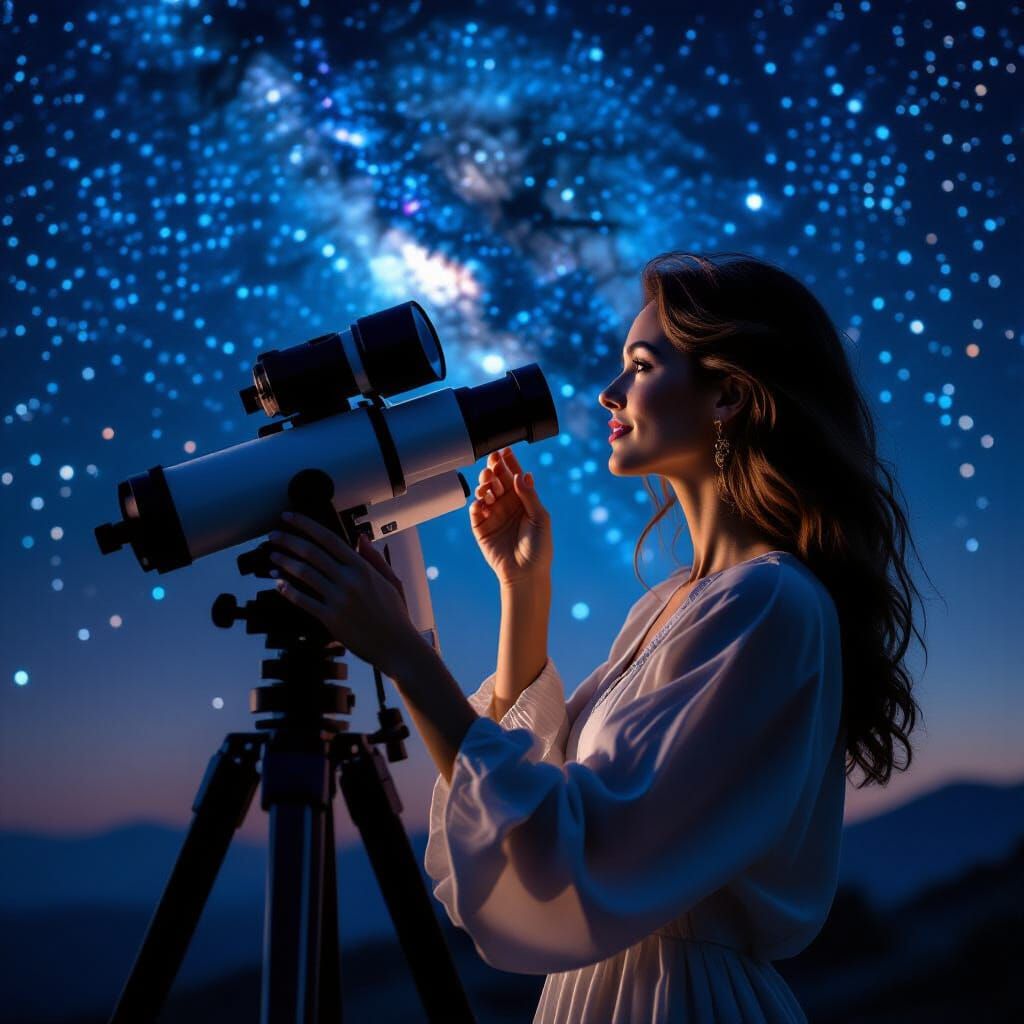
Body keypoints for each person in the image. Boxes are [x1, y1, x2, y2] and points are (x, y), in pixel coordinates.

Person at [270, 251, 928, 1023]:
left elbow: (574, 857)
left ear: (727, 396)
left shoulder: (772, 602)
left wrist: (406, 654)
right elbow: (519, 814)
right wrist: (524, 593)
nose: (609, 393)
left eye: (642, 366)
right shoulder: (673, 605)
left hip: (680, 1002)